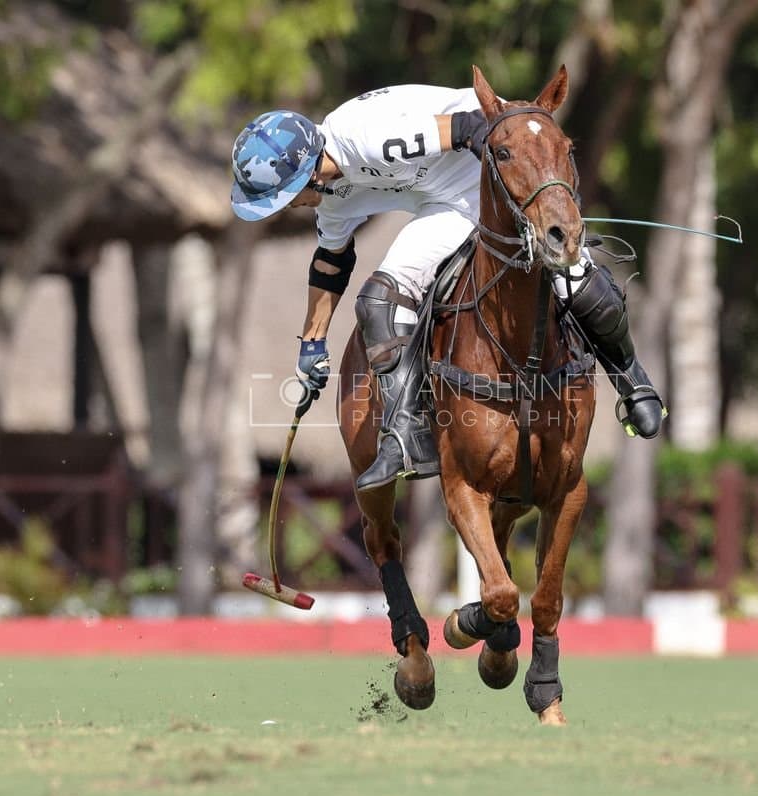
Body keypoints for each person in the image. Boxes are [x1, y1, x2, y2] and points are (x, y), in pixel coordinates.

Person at [229, 84, 663, 492]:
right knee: (378, 301)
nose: (286, 207)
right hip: (443, 205)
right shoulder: (333, 196)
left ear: (303, 173)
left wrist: (523, 204)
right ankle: (406, 436)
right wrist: (312, 344)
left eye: (283, 197)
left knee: (574, 280)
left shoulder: (368, 138)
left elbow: (475, 127)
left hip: (502, 170)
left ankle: (632, 380)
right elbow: (331, 262)